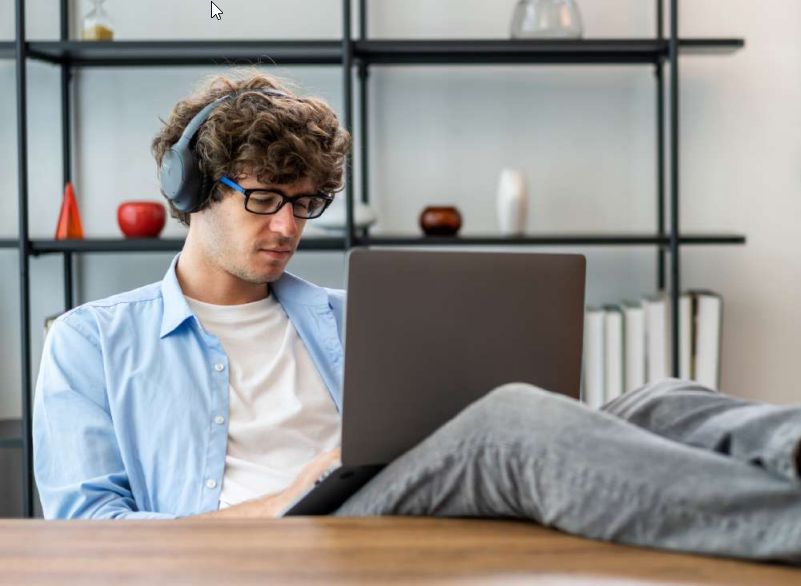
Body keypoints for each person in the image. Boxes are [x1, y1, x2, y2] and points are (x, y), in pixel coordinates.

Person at [33, 71, 801, 565]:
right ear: (194, 189)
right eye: (263, 199)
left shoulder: (352, 316)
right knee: (513, 425)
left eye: (304, 205)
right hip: (284, 540)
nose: (287, 227)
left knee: (658, 400)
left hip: (381, 499)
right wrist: (291, 491)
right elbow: (89, 539)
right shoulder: (91, 342)